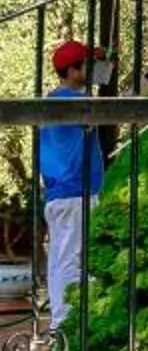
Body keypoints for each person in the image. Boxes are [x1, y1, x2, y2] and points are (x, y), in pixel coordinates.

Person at [37, 39, 103, 330]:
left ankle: (62, 326)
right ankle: (65, 330)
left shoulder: (51, 103)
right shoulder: (74, 103)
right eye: (88, 64)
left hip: (61, 194)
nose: (93, 69)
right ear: (74, 70)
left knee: (61, 263)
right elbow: (126, 104)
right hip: (75, 193)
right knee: (71, 265)